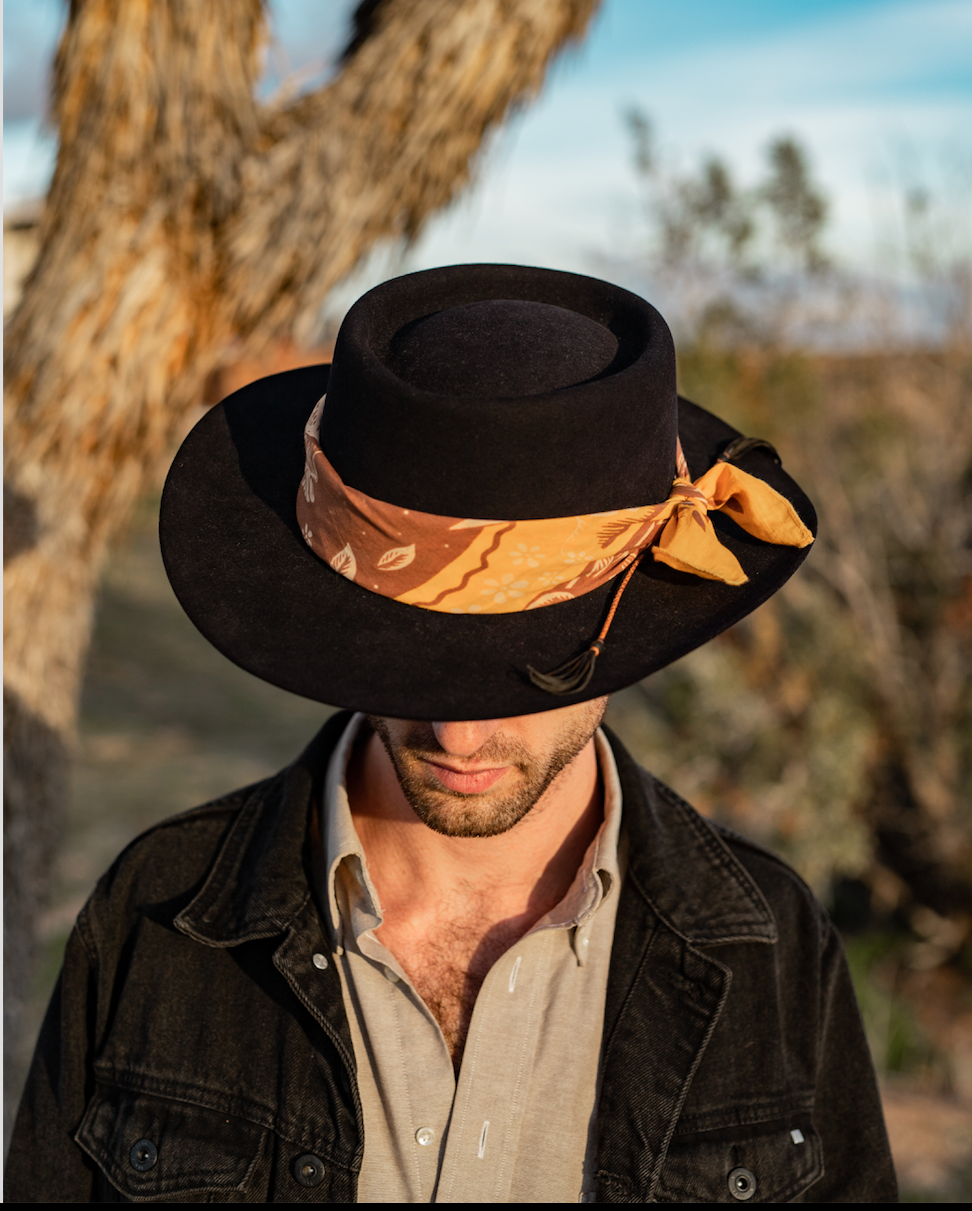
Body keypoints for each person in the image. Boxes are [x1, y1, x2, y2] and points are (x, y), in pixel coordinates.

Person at [6, 265, 897, 1202]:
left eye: (534, 670)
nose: (459, 732)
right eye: (411, 662)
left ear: (630, 630)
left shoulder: (770, 947)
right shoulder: (158, 919)